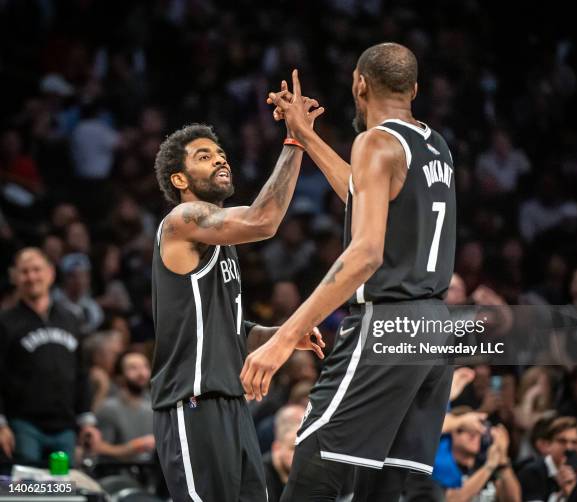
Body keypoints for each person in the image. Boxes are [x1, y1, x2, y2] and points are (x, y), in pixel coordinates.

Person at [242, 42, 457, 500]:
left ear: (359, 83)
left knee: (313, 471)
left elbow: (365, 254)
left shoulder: (374, 142)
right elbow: (365, 196)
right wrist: (304, 135)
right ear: (414, 89)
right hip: (435, 329)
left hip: (389, 325)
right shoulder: (434, 145)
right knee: (385, 489)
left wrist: (282, 338)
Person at [150, 99, 325, 502]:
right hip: (192, 403)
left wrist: (278, 336)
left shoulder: (221, 242)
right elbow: (264, 220)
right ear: (180, 179)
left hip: (234, 406)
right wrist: (295, 139)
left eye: (221, 154)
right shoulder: (181, 222)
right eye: (204, 156)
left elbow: (232, 332)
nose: (219, 160)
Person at [0, 248, 98, 465]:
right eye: (24, 271)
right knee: (28, 494)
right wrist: (1, 424)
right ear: (14, 277)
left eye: (37, 270)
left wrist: (87, 421)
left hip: (66, 428)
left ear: (51, 273)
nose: (32, 277)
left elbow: (82, 373)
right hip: (23, 426)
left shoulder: (71, 319)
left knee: (65, 494)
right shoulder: (5, 322)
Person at [432, 407, 521, 502]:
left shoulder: (487, 461)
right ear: (451, 434)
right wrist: (488, 467)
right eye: (466, 429)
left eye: (479, 427)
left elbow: (514, 500)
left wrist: (503, 460)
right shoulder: (439, 466)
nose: (475, 433)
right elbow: (451, 499)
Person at [94, 351, 155, 462]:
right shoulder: (109, 408)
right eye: (133, 368)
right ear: (120, 376)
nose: (142, 373)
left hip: (151, 472)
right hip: (119, 472)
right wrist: (132, 448)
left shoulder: (154, 404)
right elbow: (98, 448)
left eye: (145, 367)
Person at [517, 416, 577, 501]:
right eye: (562, 441)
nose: (568, 447)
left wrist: (570, 494)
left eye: (574, 442)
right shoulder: (531, 473)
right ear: (548, 445)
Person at [262, 404, 305, 502]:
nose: (299, 456)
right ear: (276, 448)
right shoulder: (260, 477)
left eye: (302, 450)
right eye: (293, 449)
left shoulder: (307, 475)